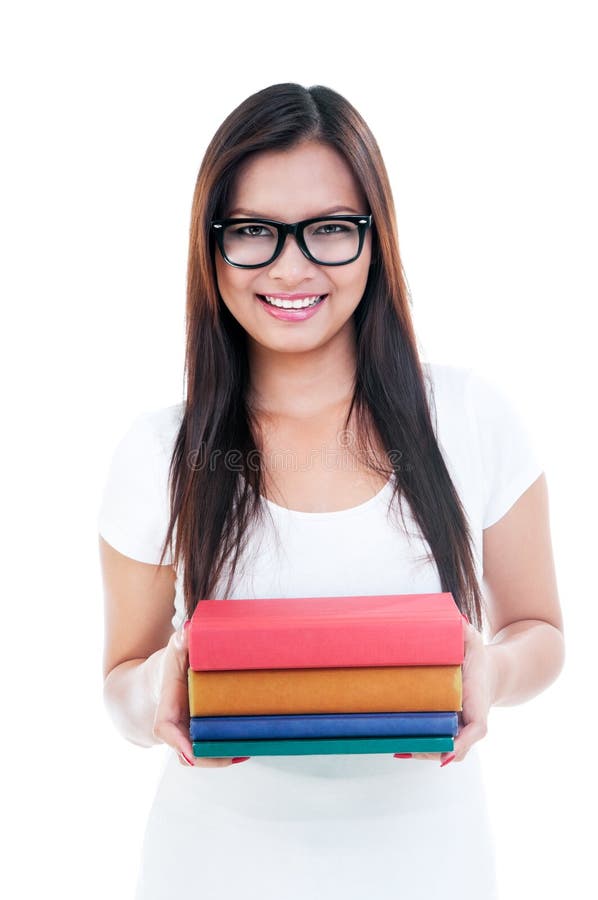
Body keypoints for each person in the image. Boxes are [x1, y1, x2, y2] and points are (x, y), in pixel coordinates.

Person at [98, 82, 565, 899]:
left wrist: (494, 669)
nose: (290, 266)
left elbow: (540, 629)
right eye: (252, 232)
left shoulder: (469, 416)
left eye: (328, 231)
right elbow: (122, 679)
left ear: (374, 240)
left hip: (434, 866)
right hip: (213, 867)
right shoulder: (161, 451)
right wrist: (152, 691)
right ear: (211, 249)